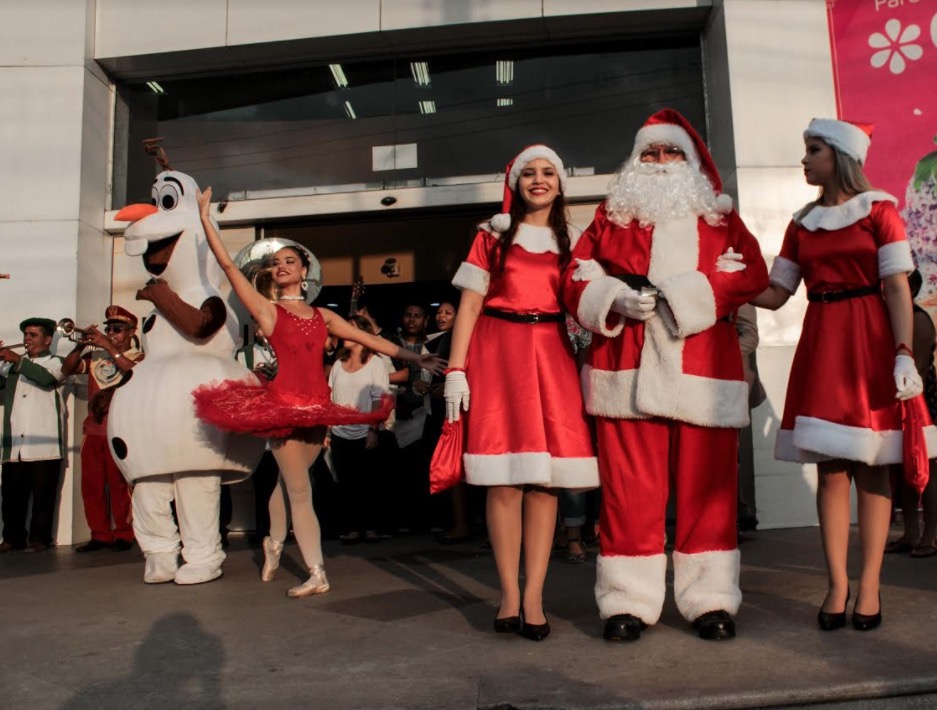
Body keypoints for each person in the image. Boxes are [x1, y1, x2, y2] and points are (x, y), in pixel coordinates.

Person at [562, 109, 768, 642]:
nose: (658, 163)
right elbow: (574, 274)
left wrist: (689, 296)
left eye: (670, 152)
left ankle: (711, 599)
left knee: (709, 492)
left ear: (693, 161)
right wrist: (614, 296)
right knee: (629, 491)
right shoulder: (611, 215)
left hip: (702, 367)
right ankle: (627, 601)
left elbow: (752, 272)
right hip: (625, 367)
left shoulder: (721, 219)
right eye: (649, 154)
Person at [193, 186, 445, 597]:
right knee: (299, 488)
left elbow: (376, 343)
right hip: (283, 408)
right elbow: (227, 265)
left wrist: (416, 359)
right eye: (275, 263)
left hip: (317, 408)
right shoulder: (266, 310)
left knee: (287, 483)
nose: (281, 266)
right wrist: (206, 220)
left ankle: (272, 543)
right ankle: (316, 572)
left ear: (304, 270)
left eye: (289, 261)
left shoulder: (323, 316)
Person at [753, 118, 934, 632]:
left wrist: (903, 353)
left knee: (873, 466)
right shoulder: (800, 223)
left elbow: (898, 289)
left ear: (840, 155)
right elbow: (775, 292)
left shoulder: (879, 211)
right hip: (823, 339)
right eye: (805, 150)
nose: (804, 159)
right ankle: (837, 584)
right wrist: (726, 283)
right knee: (831, 470)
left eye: (813, 150)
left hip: (871, 341)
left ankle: (870, 585)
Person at [444, 144, 599, 641]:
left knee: (544, 480)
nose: (539, 179)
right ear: (515, 184)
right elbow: (468, 307)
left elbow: (588, 307)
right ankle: (509, 594)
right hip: (499, 352)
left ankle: (535, 598)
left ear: (560, 182)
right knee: (504, 479)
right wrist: (455, 369)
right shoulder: (493, 235)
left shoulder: (577, 241)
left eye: (548, 171)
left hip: (552, 353)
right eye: (529, 172)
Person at [61, 306, 143, 552]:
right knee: (92, 485)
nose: (111, 333)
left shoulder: (138, 356)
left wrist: (108, 346)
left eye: (117, 329)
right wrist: (80, 346)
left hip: (122, 428)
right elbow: (67, 369)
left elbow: (132, 372)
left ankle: (124, 533)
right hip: (93, 429)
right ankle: (100, 534)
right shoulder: (96, 357)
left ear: (131, 332)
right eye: (108, 329)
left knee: (119, 484)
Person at [0, 318, 66, 553]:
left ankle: (40, 539)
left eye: (33, 335)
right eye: (26, 335)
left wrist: (17, 360)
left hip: (45, 443)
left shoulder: (57, 362)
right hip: (15, 444)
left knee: (43, 496)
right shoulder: (10, 367)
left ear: (47, 339)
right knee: (10, 496)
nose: (27, 339)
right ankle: (12, 538)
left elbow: (47, 379)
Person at [326, 316, 390, 544]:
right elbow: (330, 397)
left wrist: (373, 429)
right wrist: (327, 431)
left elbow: (379, 398)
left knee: (368, 482)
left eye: (350, 329)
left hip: (365, 431)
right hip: (340, 431)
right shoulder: (337, 363)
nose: (343, 333)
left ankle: (371, 527)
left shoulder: (376, 363)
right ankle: (351, 527)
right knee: (345, 481)